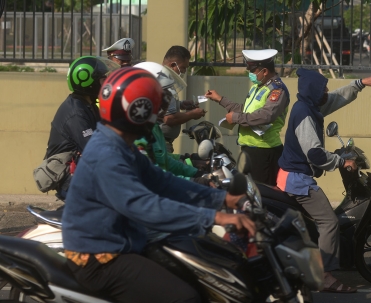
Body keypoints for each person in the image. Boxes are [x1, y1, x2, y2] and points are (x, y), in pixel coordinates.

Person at [61, 67, 255, 303]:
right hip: (100, 256)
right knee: (185, 298)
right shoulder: (107, 155)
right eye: (155, 107)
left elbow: (163, 182)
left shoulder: (121, 145)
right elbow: (145, 206)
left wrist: (222, 199)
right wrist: (216, 217)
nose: (160, 114)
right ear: (137, 112)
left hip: (125, 240)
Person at [276, 68, 371, 293]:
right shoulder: (305, 114)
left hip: (291, 176)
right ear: (313, 91)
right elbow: (315, 154)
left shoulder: (309, 106)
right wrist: (341, 162)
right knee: (329, 222)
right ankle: (325, 276)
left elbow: (336, 98)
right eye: (322, 88)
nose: (326, 91)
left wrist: (360, 83)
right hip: (297, 180)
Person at [205, 49, 290, 186]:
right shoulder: (257, 87)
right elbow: (244, 110)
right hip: (250, 148)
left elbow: (266, 116)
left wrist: (236, 118)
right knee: (250, 190)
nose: (250, 73)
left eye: (253, 70)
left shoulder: (277, 90)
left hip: (265, 151)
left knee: (263, 193)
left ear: (265, 71)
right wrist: (220, 99)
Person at [43, 56, 119, 199]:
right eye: (102, 80)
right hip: (69, 179)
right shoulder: (76, 113)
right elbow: (93, 149)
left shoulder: (87, 104)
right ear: (88, 82)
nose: (105, 85)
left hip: (82, 171)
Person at [160, 45, 206, 153]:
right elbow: (169, 119)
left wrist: (181, 104)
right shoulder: (164, 83)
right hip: (161, 144)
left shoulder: (163, 79)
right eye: (183, 67)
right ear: (172, 65)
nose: (184, 71)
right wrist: (193, 114)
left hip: (163, 142)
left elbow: (162, 106)